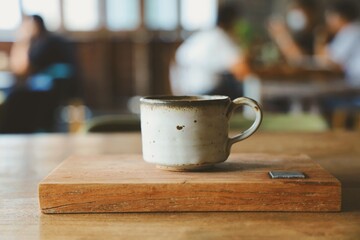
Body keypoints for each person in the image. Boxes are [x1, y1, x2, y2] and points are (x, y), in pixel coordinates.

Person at [0, 15, 79, 133]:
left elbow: (22, 68)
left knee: (14, 98)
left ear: (35, 26)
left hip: (47, 92)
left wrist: (23, 41)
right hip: (54, 90)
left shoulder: (45, 42)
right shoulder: (48, 40)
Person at [170, 1, 250, 99]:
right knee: (243, 90)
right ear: (233, 22)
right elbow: (242, 70)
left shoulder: (203, 35)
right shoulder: (220, 37)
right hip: (206, 92)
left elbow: (178, 57)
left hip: (183, 92)